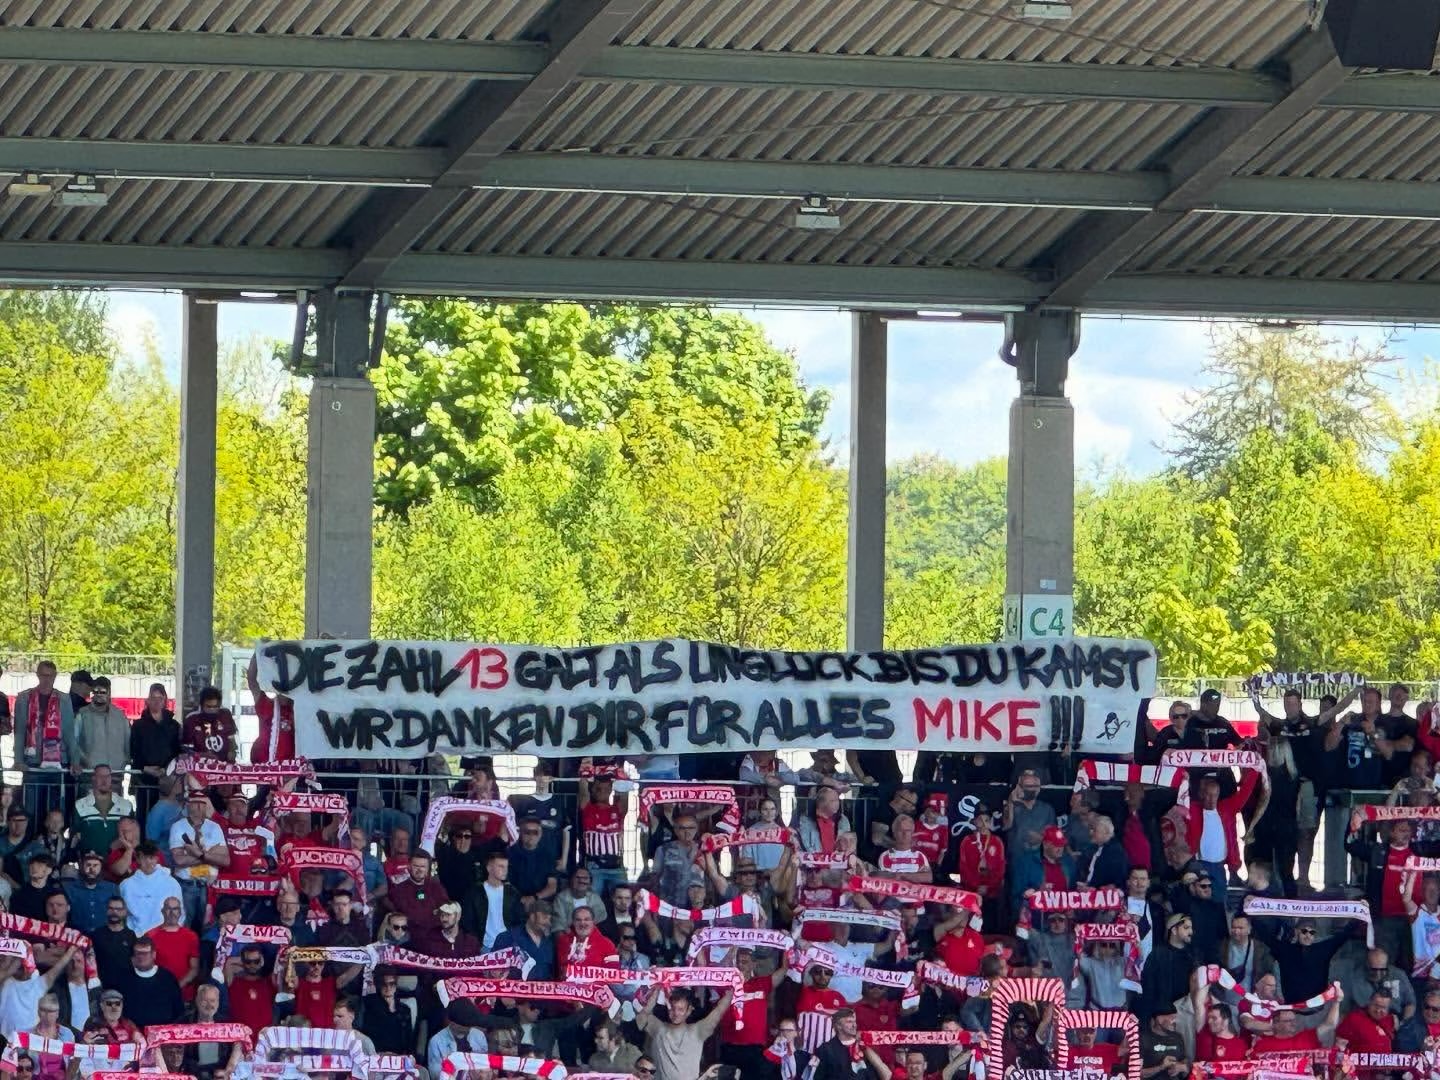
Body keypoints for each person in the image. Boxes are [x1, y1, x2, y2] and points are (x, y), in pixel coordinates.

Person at [10, 661, 77, 820]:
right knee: (31, 810)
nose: (47, 679)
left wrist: (75, 760)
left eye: (50, 676)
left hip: (57, 763)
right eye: (43, 675)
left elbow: (69, 733)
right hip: (32, 763)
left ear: (55, 676)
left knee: (54, 812)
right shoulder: (24, 698)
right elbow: (19, 732)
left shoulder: (64, 699)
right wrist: (18, 760)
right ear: (37, 675)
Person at [636, 984, 734, 1080]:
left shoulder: (698, 1030)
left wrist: (734, 985)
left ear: (689, 1010)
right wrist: (657, 990)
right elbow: (641, 1018)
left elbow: (719, 1010)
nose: (676, 1013)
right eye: (672, 1008)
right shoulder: (658, 1028)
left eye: (680, 1009)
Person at [168, 790, 229, 929]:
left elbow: (225, 860)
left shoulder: (214, 827)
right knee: (185, 924)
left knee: (207, 926)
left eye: (202, 804)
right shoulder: (178, 827)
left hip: (209, 885)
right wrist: (209, 856)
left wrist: (196, 854)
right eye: (195, 804)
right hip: (186, 884)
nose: (199, 807)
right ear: (188, 805)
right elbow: (179, 860)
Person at [129, 684, 180, 821]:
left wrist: (167, 770)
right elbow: (133, 750)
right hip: (144, 779)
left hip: (167, 779)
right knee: (144, 816)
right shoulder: (138, 725)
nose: (157, 701)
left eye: (160, 698)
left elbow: (177, 752)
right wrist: (145, 768)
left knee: (165, 817)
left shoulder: (174, 726)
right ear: (148, 700)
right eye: (153, 697)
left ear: (165, 700)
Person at [111, 936, 184, 1027]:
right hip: (133, 1031)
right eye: (138, 953)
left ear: (154, 955)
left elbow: (178, 1010)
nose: (141, 957)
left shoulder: (167, 978)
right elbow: (118, 1013)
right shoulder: (123, 979)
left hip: (163, 1031)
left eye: (145, 953)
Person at [460, 851, 523, 949]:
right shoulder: (475, 892)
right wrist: (476, 943)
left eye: (506, 867)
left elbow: (519, 920)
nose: (505, 870)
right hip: (483, 946)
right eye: (501, 866)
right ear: (489, 868)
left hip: (508, 945)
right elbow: (468, 921)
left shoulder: (512, 893)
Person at [119, 840, 182, 935]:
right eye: (144, 858)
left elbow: (180, 913)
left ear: (157, 859)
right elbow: (124, 915)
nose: (148, 861)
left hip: (165, 935)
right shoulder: (126, 885)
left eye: (151, 857)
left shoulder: (171, 883)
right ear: (138, 859)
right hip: (136, 936)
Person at [146, 896, 200, 1001]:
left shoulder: (191, 937)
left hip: (184, 996)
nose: (172, 913)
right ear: (162, 911)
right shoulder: (150, 936)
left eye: (175, 909)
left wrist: (176, 987)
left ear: (180, 912)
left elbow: (194, 968)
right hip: (158, 994)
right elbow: (146, 967)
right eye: (168, 908)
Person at [73, 677, 130, 776]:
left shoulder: (120, 716)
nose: (99, 695)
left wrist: (124, 762)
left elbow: (128, 742)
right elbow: (74, 742)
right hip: (90, 774)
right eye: (96, 692)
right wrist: (85, 761)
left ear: (109, 693)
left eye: (103, 692)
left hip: (115, 774)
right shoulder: (82, 715)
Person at [181, 686, 237, 761]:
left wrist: (231, 751)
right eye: (208, 707)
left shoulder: (225, 716)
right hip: (200, 764)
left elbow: (232, 740)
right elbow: (185, 750)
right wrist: (201, 755)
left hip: (224, 764)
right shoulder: (191, 719)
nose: (212, 710)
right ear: (201, 705)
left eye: (215, 707)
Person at [1336, 987, 1397, 1052]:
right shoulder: (1354, 1018)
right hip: (1358, 1057)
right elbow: (1339, 1044)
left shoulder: (1391, 1021)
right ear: (1369, 1002)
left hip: (1385, 1058)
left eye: (1383, 1007)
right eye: (1376, 1005)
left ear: (1388, 1009)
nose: (1378, 1010)